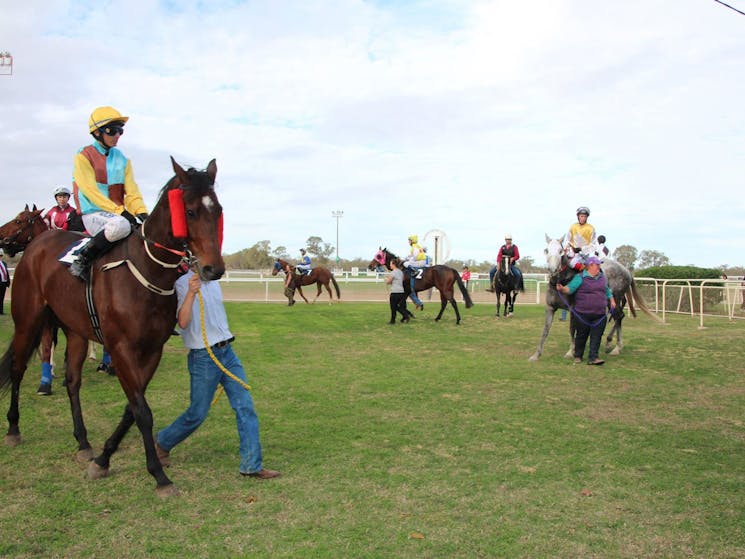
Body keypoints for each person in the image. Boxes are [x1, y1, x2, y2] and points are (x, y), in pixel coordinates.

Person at [155, 269, 280, 480]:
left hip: (227, 353)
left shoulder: (213, 281)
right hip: (204, 357)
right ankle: (162, 443)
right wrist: (191, 293)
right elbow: (182, 323)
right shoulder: (183, 283)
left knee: (245, 407)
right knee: (197, 413)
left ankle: (251, 465)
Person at [69, 106, 149, 281]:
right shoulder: (83, 156)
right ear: (97, 132)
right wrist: (121, 211)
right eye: (112, 131)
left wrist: (142, 212)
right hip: (93, 213)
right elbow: (91, 191)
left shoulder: (122, 159)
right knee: (121, 225)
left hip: (117, 215)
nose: (117, 135)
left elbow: (132, 191)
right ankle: (83, 259)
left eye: (120, 131)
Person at [556, 256, 616, 365]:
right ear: (590, 266)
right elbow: (570, 289)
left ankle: (593, 358)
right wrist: (562, 288)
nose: (599, 267)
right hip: (583, 314)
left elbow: (607, 290)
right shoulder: (579, 278)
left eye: (599, 265)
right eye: (597, 265)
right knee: (581, 335)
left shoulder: (602, 278)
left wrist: (612, 300)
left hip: (600, 314)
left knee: (597, 336)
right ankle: (578, 356)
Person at [564, 206, 597, 271]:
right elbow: (567, 240)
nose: (583, 218)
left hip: (586, 253)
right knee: (568, 263)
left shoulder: (591, 228)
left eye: (585, 216)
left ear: (587, 217)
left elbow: (593, 245)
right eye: (581, 216)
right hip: (574, 253)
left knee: (572, 264)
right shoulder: (573, 226)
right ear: (578, 217)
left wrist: (581, 249)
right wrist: (567, 248)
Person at [402, 234, 426, 310]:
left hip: (420, 262)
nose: (408, 242)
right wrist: (406, 257)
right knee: (407, 262)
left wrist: (409, 260)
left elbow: (415, 256)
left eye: (409, 240)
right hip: (422, 261)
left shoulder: (414, 246)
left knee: (405, 263)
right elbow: (411, 255)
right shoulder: (417, 246)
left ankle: (414, 271)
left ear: (412, 241)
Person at [385, 258, 412, 324]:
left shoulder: (393, 272)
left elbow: (388, 282)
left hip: (395, 292)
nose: (390, 265)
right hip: (401, 292)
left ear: (394, 264)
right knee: (399, 307)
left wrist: (386, 279)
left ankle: (393, 321)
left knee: (393, 307)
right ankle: (406, 315)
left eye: (390, 264)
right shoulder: (400, 272)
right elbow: (401, 280)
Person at [0, 249, 9, 315]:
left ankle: (1, 311)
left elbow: (6, 272)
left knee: (2, 297)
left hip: (4, 283)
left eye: (0, 255)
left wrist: (7, 282)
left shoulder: (4, 263)